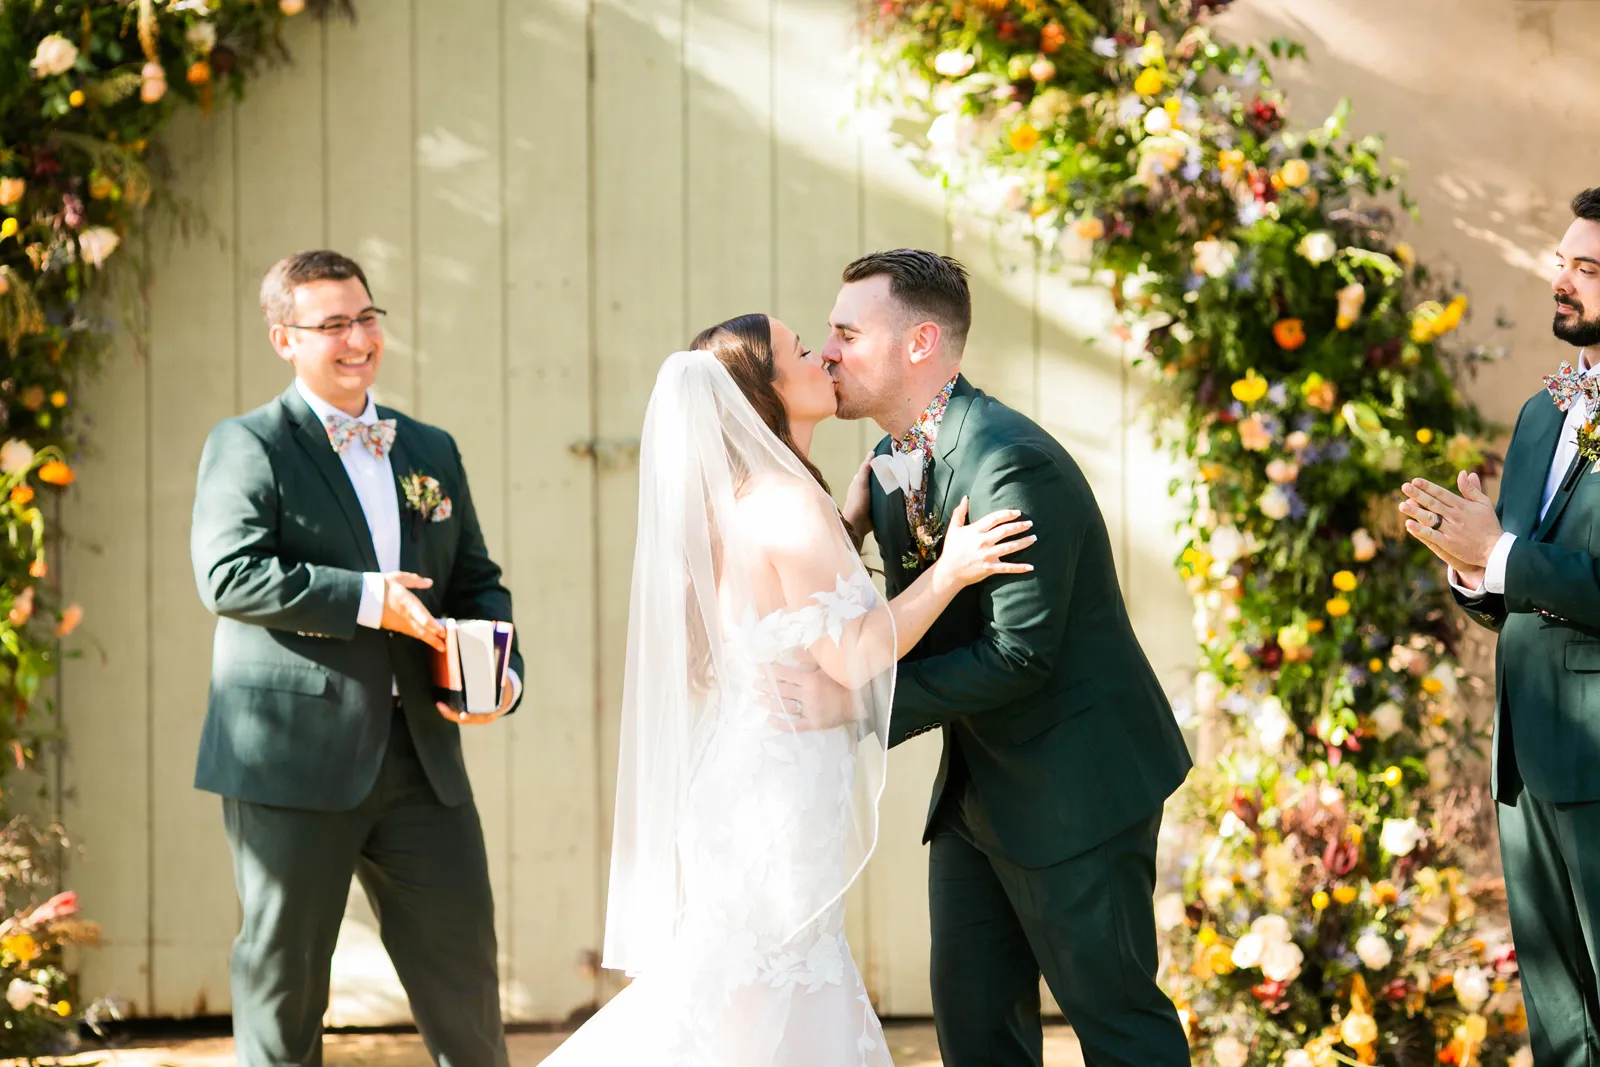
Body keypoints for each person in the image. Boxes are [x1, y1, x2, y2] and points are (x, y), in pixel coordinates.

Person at [541, 314, 1032, 1067]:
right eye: (803, 350)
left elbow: (781, 608)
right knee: (768, 981)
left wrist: (850, 529)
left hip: (741, 772)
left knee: (747, 981)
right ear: (764, 394)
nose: (824, 356)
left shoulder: (742, 498)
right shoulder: (785, 501)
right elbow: (854, 653)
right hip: (779, 789)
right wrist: (953, 568)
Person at [819, 249, 1194, 1067]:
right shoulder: (886, 466)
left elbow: (1018, 654)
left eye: (847, 333)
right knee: (974, 1027)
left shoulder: (1005, 462)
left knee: (1118, 1023)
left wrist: (859, 706)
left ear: (920, 343)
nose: (828, 353)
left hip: (1078, 784)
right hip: (977, 792)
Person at [189, 250, 521, 1067]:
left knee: (467, 980)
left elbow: (477, 581)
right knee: (284, 982)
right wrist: (371, 597)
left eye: (366, 317)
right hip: (292, 759)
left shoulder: (430, 450)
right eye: (332, 324)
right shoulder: (247, 444)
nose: (357, 339)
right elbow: (227, 574)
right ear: (284, 338)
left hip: (423, 763)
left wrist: (499, 672)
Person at [1402, 187, 1600, 1065]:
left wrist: (1505, 554)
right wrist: (1471, 561)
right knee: (1560, 1020)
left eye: (1588, 269)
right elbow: (1514, 580)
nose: (1563, 281)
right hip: (1524, 757)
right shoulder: (1541, 412)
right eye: (1563, 261)